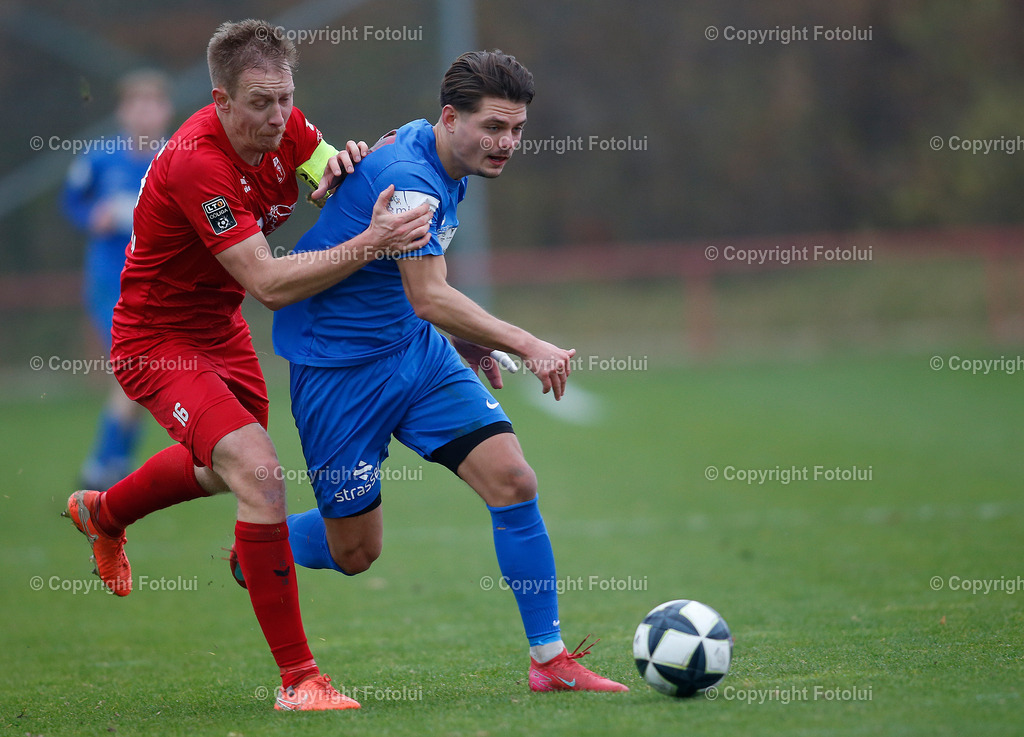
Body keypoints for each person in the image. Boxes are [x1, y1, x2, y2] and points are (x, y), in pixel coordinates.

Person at [63, 18, 434, 711]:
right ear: (221, 100)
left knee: (224, 469)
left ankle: (104, 512)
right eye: (260, 103)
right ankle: (300, 680)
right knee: (260, 473)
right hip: (157, 338)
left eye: (286, 98)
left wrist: (355, 168)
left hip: (220, 328)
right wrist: (374, 240)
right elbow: (268, 283)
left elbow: (332, 176)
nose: (278, 116)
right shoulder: (196, 162)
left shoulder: (287, 128)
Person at [267, 49, 629, 693]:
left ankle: (549, 661)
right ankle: (260, 545)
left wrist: (466, 339)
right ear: (451, 118)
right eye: (494, 127)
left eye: (516, 129)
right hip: (337, 370)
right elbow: (430, 295)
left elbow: (417, 295)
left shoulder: (434, 150)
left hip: (415, 351)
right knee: (356, 553)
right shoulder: (412, 177)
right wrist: (527, 343)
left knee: (513, 479)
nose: (506, 143)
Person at [62, 70, 173, 491]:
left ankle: (114, 468)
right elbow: (72, 201)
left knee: (138, 378)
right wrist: (91, 216)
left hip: (160, 287)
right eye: (135, 104)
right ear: (123, 111)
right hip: (110, 285)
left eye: (152, 103)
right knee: (134, 372)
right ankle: (100, 468)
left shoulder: (177, 158)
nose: (144, 112)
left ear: (165, 110)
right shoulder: (99, 158)